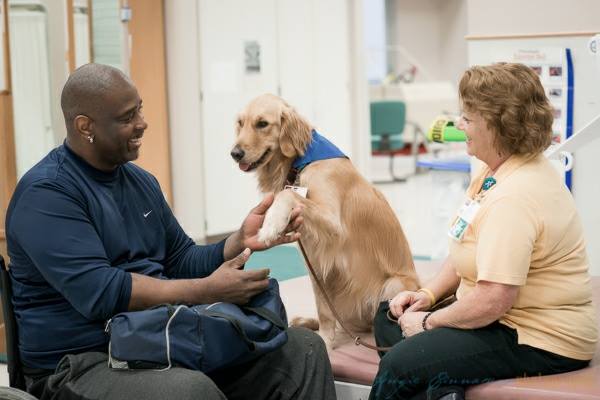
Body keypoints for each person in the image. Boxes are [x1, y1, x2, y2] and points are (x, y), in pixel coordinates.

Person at [5, 63, 337, 400]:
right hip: (82, 362)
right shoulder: (47, 194)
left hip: (160, 338)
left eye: (140, 110)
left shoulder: (141, 182)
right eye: (126, 118)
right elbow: (101, 293)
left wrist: (237, 241)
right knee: (189, 391)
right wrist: (205, 291)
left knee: (302, 351)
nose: (142, 124)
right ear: (84, 126)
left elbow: (181, 257)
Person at [369, 63, 598, 400]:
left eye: (468, 119)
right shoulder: (494, 173)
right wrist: (427, 296)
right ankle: (444, 387)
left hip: (538, 338)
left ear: (497, 126)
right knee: (389, 316)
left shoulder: (515, 196)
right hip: (499, 319)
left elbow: (493, 300)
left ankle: (438, 379)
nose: (459, 125)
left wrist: (429, 323)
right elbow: (467, 246)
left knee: (400, 364)